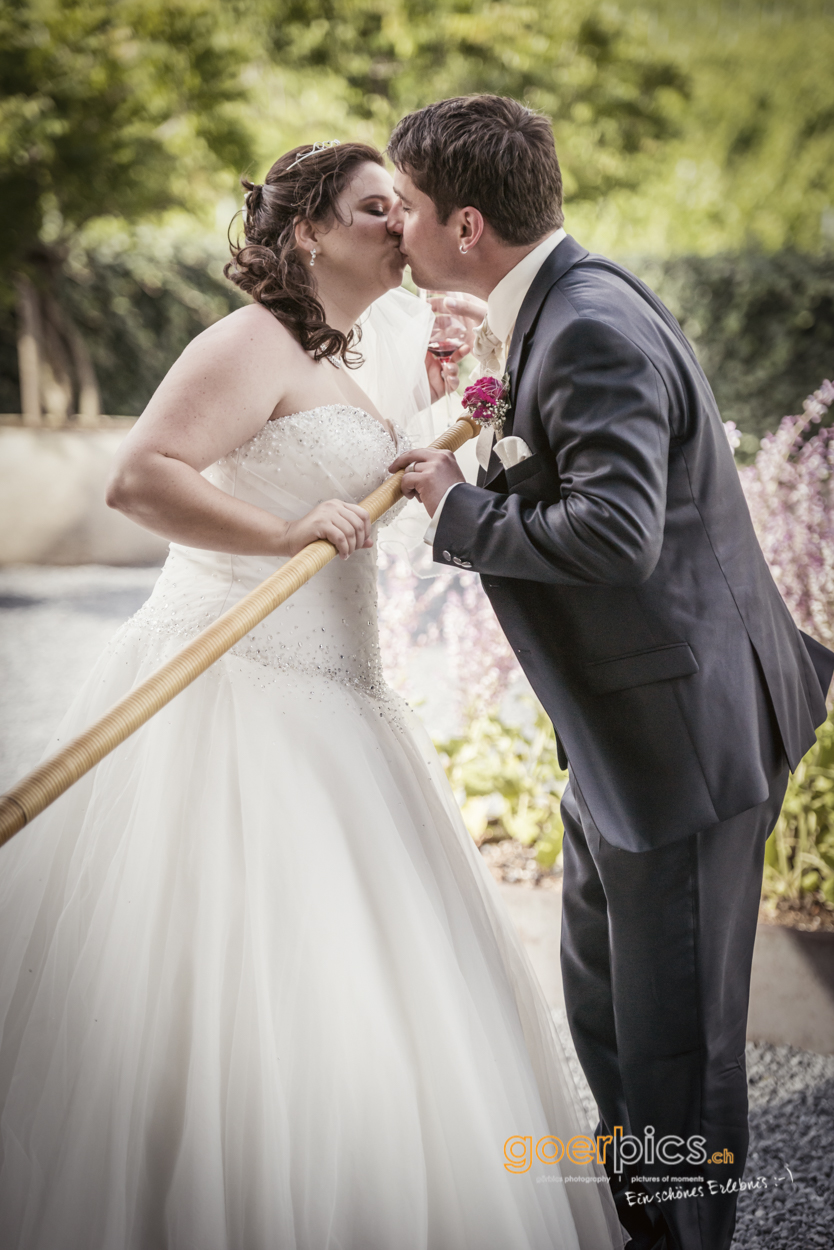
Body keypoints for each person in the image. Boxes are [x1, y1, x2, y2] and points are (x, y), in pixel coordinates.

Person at [0, 141, 622, 1249]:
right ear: (308, 233)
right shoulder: (247, 342)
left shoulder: (357, 350)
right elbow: (141, 476)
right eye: (376, 206)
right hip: (231, 689)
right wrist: (281, 530)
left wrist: (438, 405)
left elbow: (391, 481)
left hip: (344, 692)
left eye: (403, 205)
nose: (402, 222)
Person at [385, 95, 834, 1250]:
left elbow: (614, 532)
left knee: (677, 1049)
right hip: (622, 741)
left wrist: (457, 504)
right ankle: (643, 1220)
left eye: (412, 210)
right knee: (612, 1020)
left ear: (468, 222)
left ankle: (684, 1236)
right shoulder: (565, 300)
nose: (399, 230)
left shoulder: (586, 323)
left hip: (684, 740)